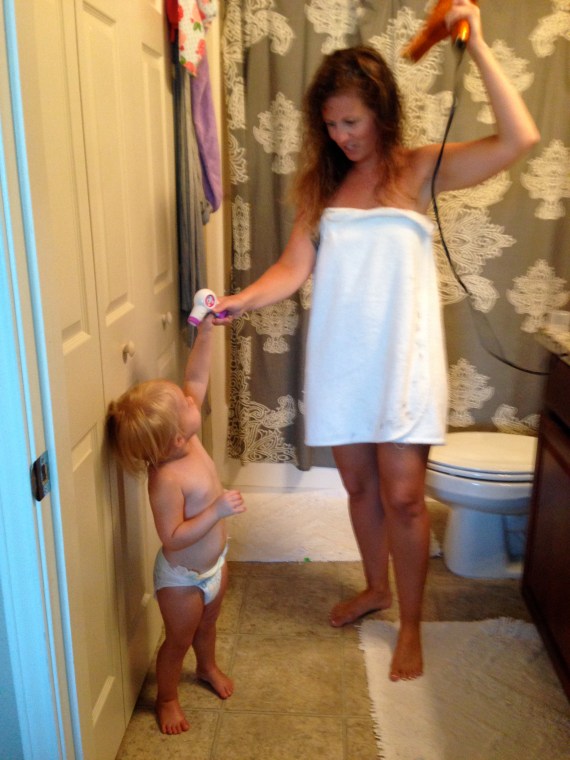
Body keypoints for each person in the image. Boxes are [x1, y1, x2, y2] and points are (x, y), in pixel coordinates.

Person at [215, 0, 539, 681]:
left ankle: (412, 624)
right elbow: (291, 268)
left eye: (352, 122)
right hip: (340, 360)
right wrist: (240, 300)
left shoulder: (418, 169)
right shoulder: (322, 188)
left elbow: (520, 138)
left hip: (403, 362)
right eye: (331, 125)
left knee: (403, 498)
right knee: (360, 488)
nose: (341, 137)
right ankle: (374, 588)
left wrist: (477, 42)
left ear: (382, 114)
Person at [105, 316, 246, 733]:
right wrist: (216, 511)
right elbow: (171, 537)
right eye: (185, 405)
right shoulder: (166, 479)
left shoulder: (187, 439)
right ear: (177, 439)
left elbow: (196, 377)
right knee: (178, 640)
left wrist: (206, 333)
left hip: (214, 565)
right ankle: (167, 698)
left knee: (209, 625)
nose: (191, 399)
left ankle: (206, 667)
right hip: (183, 578)